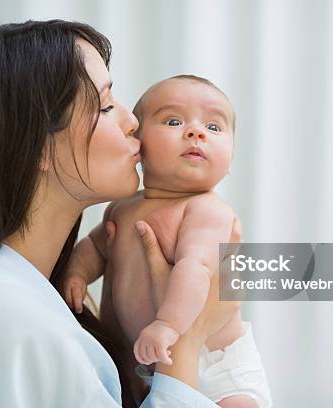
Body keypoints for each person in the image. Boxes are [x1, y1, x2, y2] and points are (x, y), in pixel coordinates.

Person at [0, 20, 240, 407]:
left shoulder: (22, 298)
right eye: (106, 106)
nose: (133, 122)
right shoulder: (2, 317)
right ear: (34, 145)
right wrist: (187, 341)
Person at [63, 76, 272, 407]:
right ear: (138, 145)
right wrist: (76, 273)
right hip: (147, 359)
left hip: (215, 364)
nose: (196, 132)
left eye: (214, 128)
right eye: (174, 121)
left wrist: (167, 325)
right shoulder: (124, 206)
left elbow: (196, 268)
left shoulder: (207, 210)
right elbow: (96, 246)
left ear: (230, 160)